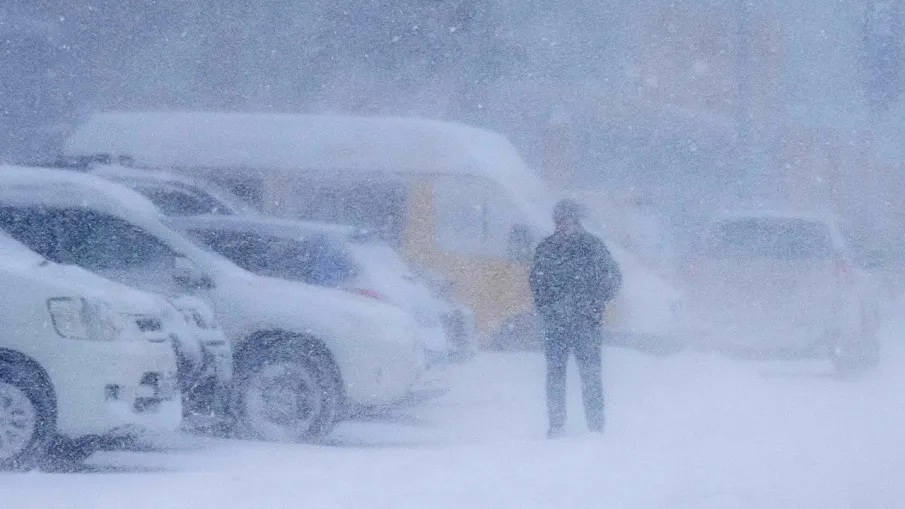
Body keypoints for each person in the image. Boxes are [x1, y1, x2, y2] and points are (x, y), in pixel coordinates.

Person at [529, 199, 622, 438]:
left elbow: (613, 276)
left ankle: (596, 426)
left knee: (590, 374)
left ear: (576, 221)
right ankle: (556, 424)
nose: (562, 225)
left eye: (566, 220)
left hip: (585, 323)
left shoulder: (592, 247)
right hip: (556, 324)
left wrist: (595, 303)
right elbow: (536, 283)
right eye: (558, 221)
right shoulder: (547, 248)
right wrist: (548, 308)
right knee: (556, 374)